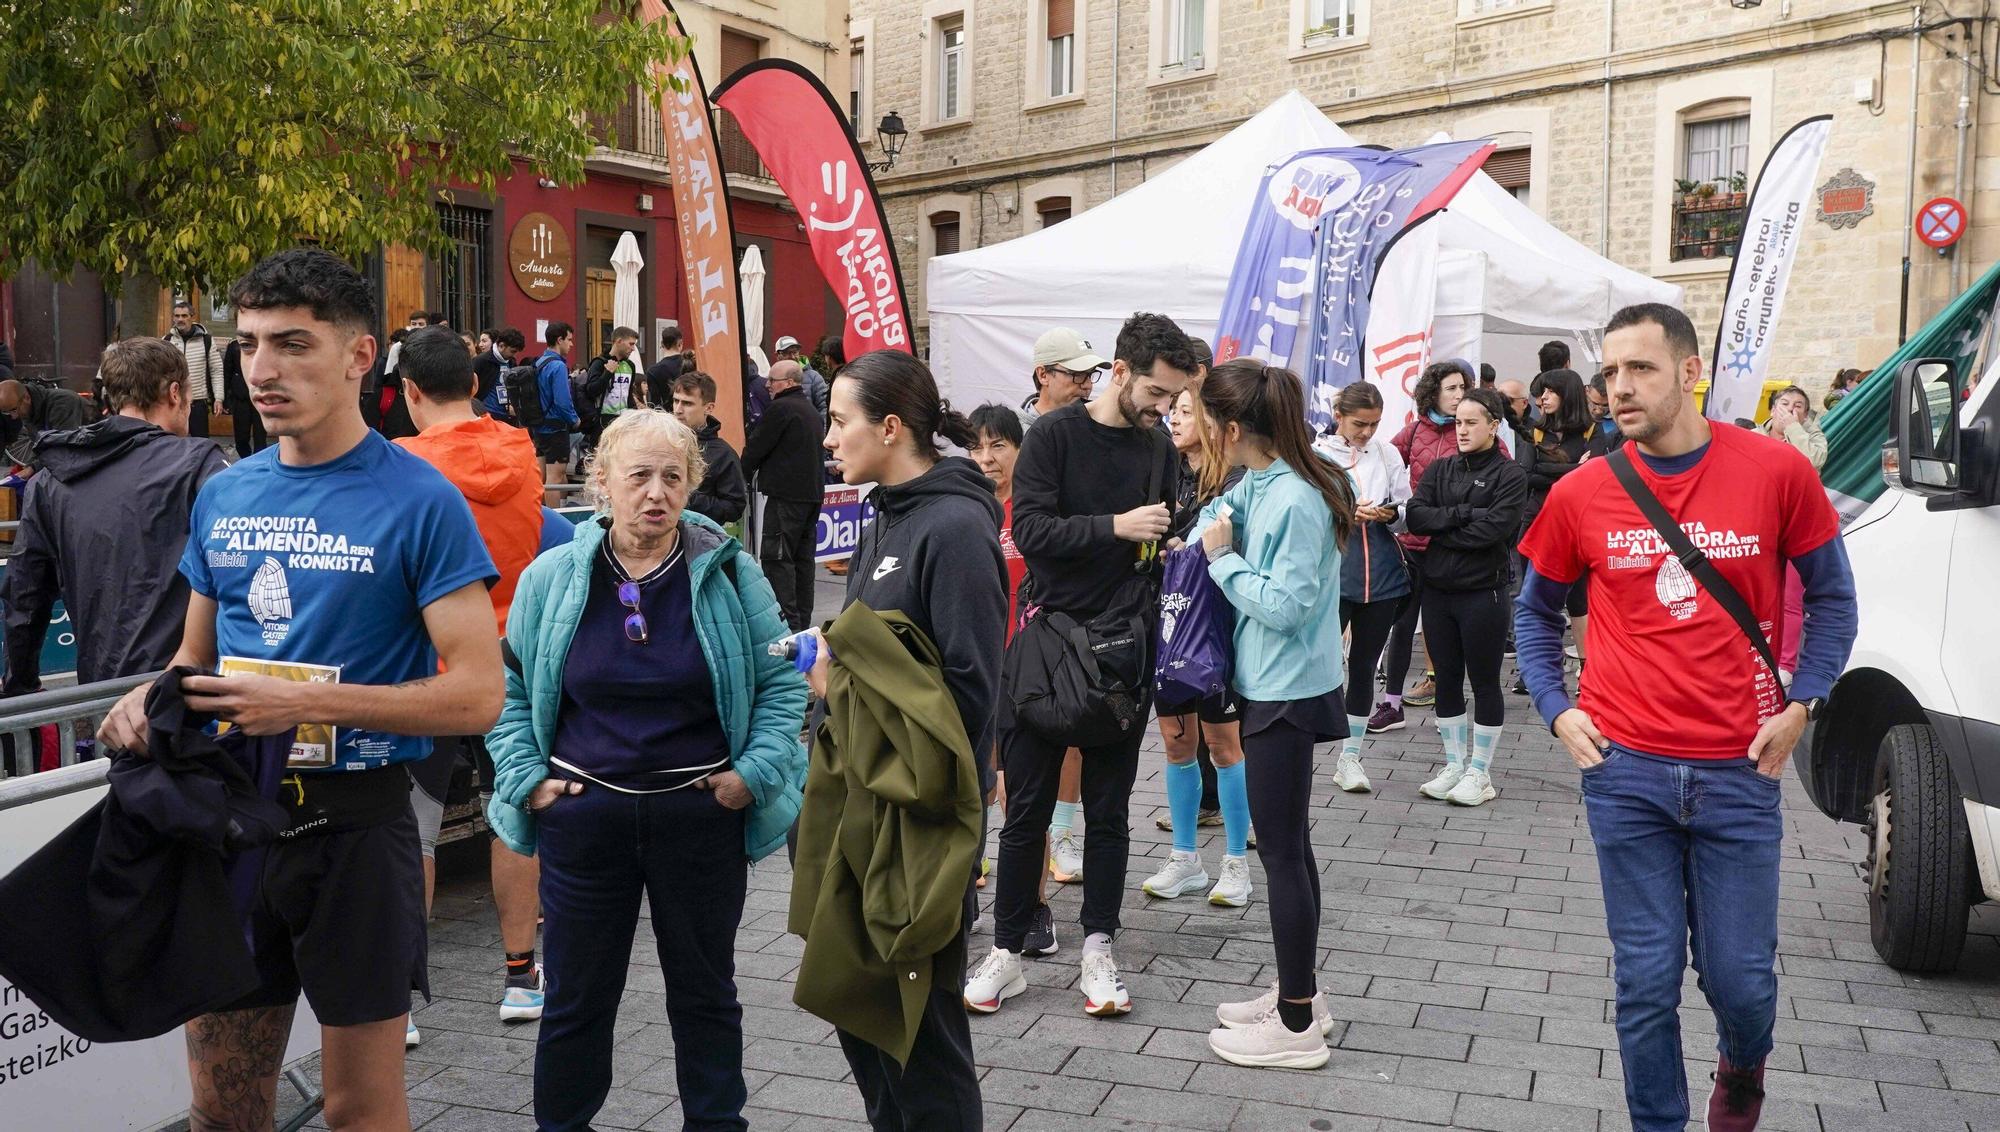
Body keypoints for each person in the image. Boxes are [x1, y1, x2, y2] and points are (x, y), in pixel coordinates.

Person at [95, 248, 504, 1130]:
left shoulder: (420, 497)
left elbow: (478, 695)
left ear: (360, 357)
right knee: (223, 1108)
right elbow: (191, 658)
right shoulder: (226, 491)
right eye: (247, 345)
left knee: (358, 1110)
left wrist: (309, 704)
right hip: (231, 828)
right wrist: (147, 697)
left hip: (356, 831)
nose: (263, 371)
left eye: (292, 344)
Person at [1516, 302, 1857, 1132]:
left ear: (1691, 371)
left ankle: (1743, 1064)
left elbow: (1834, 600)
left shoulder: (1776, 471)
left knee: (1741, 982)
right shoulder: (1582, 491)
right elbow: (1533, 613)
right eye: (1609, 373)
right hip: (1624, 769)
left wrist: (1803, 703)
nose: (1619, 389)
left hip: (1741, 769)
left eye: (1641, 369)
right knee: (1644, 980)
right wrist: (1559, 709)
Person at [485, 407, 804, 1132]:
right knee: (576, 998)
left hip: (700, 815)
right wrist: (525, 779)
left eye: (672, 476)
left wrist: (752, 774)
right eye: (638, 476)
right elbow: (504, 688)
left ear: (692, 484)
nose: (655, 493)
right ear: (601, 481)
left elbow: (784, 680)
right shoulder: (555, 574)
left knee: (705, 993)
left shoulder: (727, 571)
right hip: (583, 819)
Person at [964, 311, 1196, 1017]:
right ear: (1120, 372)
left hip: (1122, 650)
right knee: (1027, 808)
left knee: (1109, 812)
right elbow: (1030, 531)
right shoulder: (1054, 436)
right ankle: (1006, 950)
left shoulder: (1158, 449)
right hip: (1045, 641)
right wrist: (1116, 528)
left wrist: (1171, 547)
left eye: (1173, 399)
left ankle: (1100, 945)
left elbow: (1158, 543)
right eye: (1157, 393)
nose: (1163, 409)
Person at [805, 350, 1005, 1130]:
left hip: (918, 829)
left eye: (839, 421)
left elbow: (965, 701)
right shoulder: (888, 509)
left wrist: (835, 685)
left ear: (890, 428)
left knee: (922, 1042)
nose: (829, 438)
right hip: (860, 808)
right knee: (866, 1020)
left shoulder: (953, 528)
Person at [1195, 360, 1354, 1069]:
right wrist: (1212, 530)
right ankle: (1303, 994)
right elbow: (1215, 517)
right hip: (1279, 684)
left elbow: (1284, 608)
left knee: (1282, 854)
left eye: (1207, 423)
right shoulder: (1267, 478)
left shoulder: (1295, 497)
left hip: (1285, 688)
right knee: (1292, 844)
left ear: (1234, 429)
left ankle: (1295, 1028)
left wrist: (1223, 564)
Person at [391, 326, 550, 1027]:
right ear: (477, 384)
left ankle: (399, 996)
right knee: (511, 817)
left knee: (413, 831)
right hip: (514, 658)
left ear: (409, 393)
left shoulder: (399, 465)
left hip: (431, 669)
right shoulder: (522, 449)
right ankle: (521, 977)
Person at [2, 337, 229, 696]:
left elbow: (24, 594)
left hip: (102, 691)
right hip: (186, 696)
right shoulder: (201, 465)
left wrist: (20, 686)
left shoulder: (52, 479)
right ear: (175, 394)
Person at [1142, 383, 1253, 907]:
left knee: (1224, 744)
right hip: (1169, 626)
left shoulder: (1235, 480)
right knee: (1175, 741)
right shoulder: (1167, 473)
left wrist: (1187, 544)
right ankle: (1184, 858)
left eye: (1187, 411)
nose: (1175, 420)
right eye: (1173, 411)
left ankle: (1236, 862)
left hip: (1216, 628)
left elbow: (1227, 542)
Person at [1406, 386, 1527, 808]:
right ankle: (1454, 764)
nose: (1462, 430)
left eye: (1472, 422)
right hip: (1438, 592)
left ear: (1494, 426)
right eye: (1459, 421)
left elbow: (1494, 530)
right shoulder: (1441, 469)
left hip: (1483, 593)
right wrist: (1460, 515)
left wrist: (1446, 529)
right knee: (1447, 680)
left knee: (1485, 681)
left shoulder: (1509, 475)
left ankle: (1481, 771)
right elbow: (1417, 516)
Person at [1315, 381, 1411, 793]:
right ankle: (1295, 746)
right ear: (1339, 415)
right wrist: (1344, 511)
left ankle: (1350, 757)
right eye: (1359, 424)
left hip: (1383, 571)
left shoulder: (1388, 452)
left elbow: (1408, 508)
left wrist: (1390, 514)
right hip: (1334, 568)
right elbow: (1307, 510)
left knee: (1364, 666)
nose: (1366, 433)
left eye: (1373, 424)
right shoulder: (1317, 454)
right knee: (1317, 661)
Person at [1374, 360, 1468, 730]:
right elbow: (1384, 463)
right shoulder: (1413, 432)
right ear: (1434, 392)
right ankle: (1391, 703)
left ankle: (1450, 701)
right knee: (1403, 624)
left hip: (1452, 548)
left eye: (1463, 387)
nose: (1459, 395)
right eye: (1451, 388)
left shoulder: (1472, 431)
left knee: (1446, 627)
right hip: (1412, 544)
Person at [1513, 368, 1594, 694]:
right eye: (1539, 392)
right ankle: (1536, 666)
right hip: (1535, 521)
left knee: (1578, 599)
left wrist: (1552, 470)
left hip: (1575, 523)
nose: (1541, 399)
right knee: (1534, 596)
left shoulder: (1590, 432)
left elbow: (1595, 472)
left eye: (1548, 392)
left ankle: (1588, 669)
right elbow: (1526, 474)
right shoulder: (1533, 431)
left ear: (1567, 394)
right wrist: (1574, 468)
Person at [740, 358, 822, 631]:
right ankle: (803, 624)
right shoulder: (809, 409)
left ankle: (787, 627)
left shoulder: (781, 409)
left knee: (778, 561)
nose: (767, 385)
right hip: (810, 496)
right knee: (802, 562)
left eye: (772, 381)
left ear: (787, 383)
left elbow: (756, 447)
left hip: (785, 496)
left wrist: (740, 473)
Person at [1763, 385, 1827, 685]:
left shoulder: (1812, 438)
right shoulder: (1752, 437)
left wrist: (1795, 431)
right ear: (1772, 409)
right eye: (1785, 403)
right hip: (1761, 524)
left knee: (1791, 598)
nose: (1791, 409)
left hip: (1798, 524)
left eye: (1799, 405)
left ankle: (1786, 664)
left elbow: (1811, 462)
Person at [672, 371, 748, 526]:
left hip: (698, 539)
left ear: (708, 408)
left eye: (687, 403)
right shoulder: (659, 440)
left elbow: (734, 507)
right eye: (675, 401)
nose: (678, 410)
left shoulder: (723, 454)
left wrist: (690, 498)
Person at [1017, 326, 1109, 427]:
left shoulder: (1100, 426)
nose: (1088, 385)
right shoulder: (1011, 435)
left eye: (1090, 374)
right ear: (1043, 375)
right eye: (1077, 374)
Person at [532, 321, 581, 503]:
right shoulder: (558, 366)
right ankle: (557, 517)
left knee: (541, 478)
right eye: (569, 340)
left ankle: (540, 515)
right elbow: (562, 400)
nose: (571, 344)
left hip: (539, 426)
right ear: (559, 340)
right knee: (555, 479)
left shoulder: (539, 362)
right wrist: (574, 420)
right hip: (556, 428)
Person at [165, 300, 226, 439]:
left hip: (198, 402)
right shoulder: (166, 341)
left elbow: (216, 370)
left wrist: (219, 398)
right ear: (173, 317)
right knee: (175, 443)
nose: (180, 319)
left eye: (184, 315)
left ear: (192, 317)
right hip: (174, 402)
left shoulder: (206, 341)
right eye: (177, 316)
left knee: (200, 444)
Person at [579, 325, 643, 455]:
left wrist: (635, 417)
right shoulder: (599, 363)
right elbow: (591, 390)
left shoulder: (629, 365)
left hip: (624, 421)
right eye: (631, 344)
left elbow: (628, 394)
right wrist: (607, 373)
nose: (633, 349)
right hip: (603, 421)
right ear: (619, 341)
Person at [0, 378, 89, 467]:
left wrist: (34, 467)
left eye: (14, 410)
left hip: (92, 456)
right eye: (7, 412)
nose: (13, 416)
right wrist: (28, 466)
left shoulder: (62, 403)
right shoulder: (28, 410)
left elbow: (63, 447)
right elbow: (41, 446)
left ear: (27, 398)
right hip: (77, 458)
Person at [222, 338, 269, 457]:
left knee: (260, 438)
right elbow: (227, 372)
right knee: (241, 437)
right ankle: (246, 460)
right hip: (240, 398)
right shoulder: (234, 345)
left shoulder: (264, 343)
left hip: (261, 397)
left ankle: (259, 464)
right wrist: (225, 400)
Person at [774, 334, 828, 423]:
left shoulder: (813, 377)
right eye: (787, 353)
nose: (792, 356)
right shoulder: (772, 378)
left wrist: (821, 432)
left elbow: (824, 407)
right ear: (778, 355)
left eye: (795, 352)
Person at [474, 327, 524, 419]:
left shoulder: (511, 362)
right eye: (512, 351)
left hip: (507, 416)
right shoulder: (481, 361)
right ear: (501, 346)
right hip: (486, 415)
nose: (514, 355)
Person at [645, 325, 686, 410]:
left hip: (668, 416)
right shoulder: (690, 363)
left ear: (662, 344)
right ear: (680, 343)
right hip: (691, 414)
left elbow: (655, 403)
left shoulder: (653, 371)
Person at [1585, 372, 1623, 458]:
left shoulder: (1622, 420)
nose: (1598, 411)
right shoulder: (1574, 412)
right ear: (1587, 391)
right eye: (1594, 403)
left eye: (1605, 405)